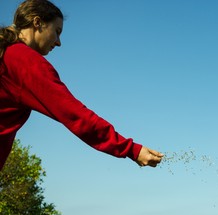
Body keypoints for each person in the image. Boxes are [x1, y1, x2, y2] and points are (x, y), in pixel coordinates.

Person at [0, 0, 163, 171]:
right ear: (37, 23)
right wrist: (132, 149)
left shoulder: (9, 55)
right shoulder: (24, 60)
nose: (58, 42)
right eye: (57, 32)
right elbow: (75, 114)